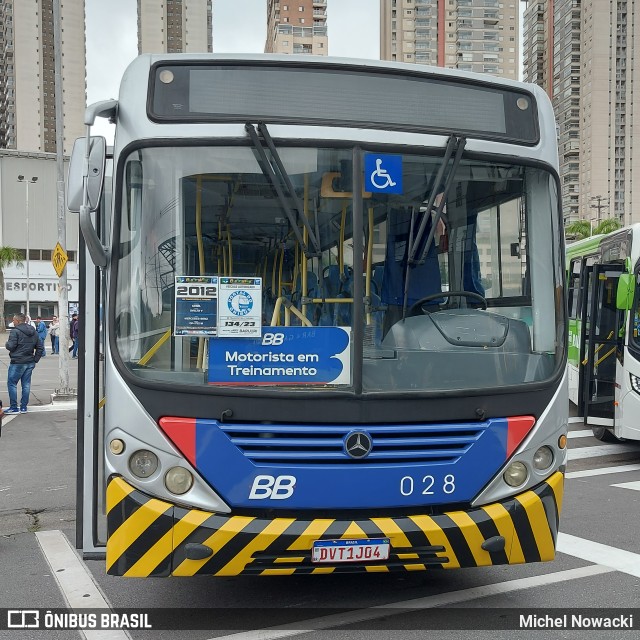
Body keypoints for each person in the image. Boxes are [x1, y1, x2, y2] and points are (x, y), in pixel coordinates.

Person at [5, 313, 44, 414]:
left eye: (14, 320)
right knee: (26, 384)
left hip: (17, 361)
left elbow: (11, 346)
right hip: (29, 361)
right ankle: (23, 407)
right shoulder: (33, 331)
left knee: (12, 383)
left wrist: (7, 344)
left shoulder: (15, 331)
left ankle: (14, 407)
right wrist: (35, 359)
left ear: (17, 321)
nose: (13, 322)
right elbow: (40, 347)